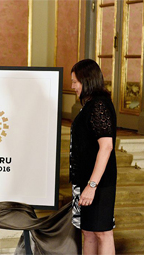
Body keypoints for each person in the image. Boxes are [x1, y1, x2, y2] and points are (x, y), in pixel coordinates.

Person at [70, 59, 117, 255]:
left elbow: (106, 146)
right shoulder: (89, 104)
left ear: (86, 80)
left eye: (75, 82)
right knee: (88, 231)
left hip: (98, 182)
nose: (72, 86)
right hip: (84, 180)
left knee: (102, 233)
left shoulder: (99, 105)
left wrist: (91, 186)